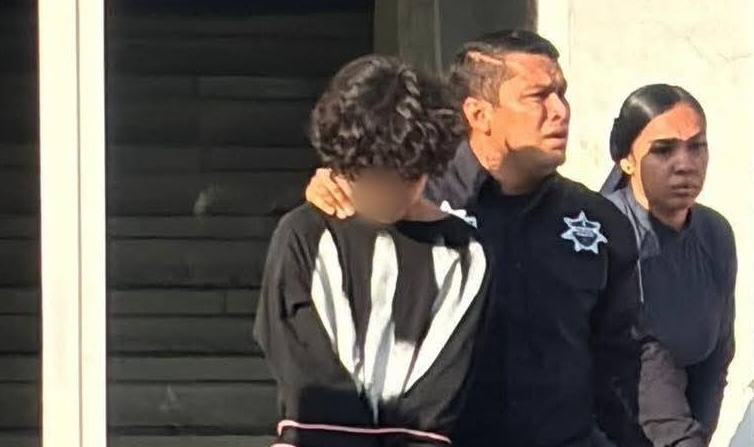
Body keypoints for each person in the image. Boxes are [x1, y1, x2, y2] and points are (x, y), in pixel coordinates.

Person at [304, 30, 658, 447]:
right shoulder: (412, 204)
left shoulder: (598, 222)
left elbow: (624, 363)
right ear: (478, 114)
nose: (560, 111)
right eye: (538, 96)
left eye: (562, 94)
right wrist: (338, 189)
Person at [253, 54, 493, 447]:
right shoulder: (304, 236)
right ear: (343, 162)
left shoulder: (466, 255)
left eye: (406, 177)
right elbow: (303, 371)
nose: (387, 193)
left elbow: (442, 388)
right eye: (371, 176)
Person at [601, 84, 737, 446]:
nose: (686, 165)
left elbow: (717, 358)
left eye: (697, 147)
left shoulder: (715, 234)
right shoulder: (604, 233)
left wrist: (697, 437)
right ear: (627, 159)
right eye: (663, 150)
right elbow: (635, 364)